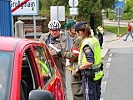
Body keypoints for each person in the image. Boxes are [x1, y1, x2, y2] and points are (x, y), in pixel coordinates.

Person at [74, 22, 104, 100]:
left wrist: (79, 68)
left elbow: (90, 61)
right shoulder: (94, 39)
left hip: (89, 76)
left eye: (76, 33)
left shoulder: (86, 44)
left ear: (80, 32)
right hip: (97, 74)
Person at [39, 20, 67, 90]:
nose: (54, 32)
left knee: (61, 85)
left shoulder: (63, 38)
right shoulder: (44, 37)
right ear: (49, 30)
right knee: (46, 85)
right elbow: (38, 47)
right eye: (52, 30)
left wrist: (46, 53)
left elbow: (58, 51)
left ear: (59, 30)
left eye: (56, 30)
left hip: (58, 64)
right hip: (45, 64)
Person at [62, 21, 83, 100]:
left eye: (68, 30)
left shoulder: (78, 40)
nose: (67, 32)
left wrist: (63, 54)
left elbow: (75, 55)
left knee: (76, 91)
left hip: (77, 68)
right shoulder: (79, 38)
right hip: (78, 67)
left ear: (73, 29)